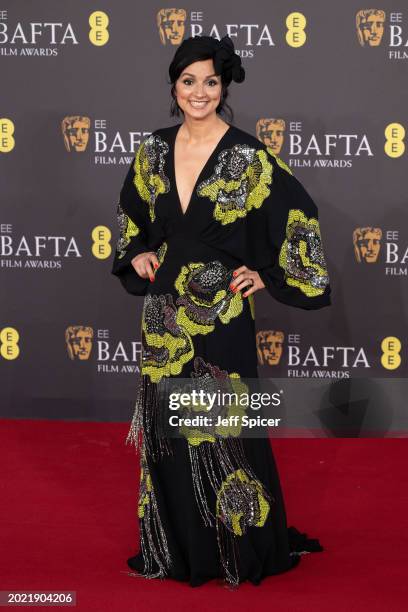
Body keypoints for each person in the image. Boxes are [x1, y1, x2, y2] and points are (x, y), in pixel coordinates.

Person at [111, 34, 331, 588]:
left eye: (211, 81)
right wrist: (136, 251)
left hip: (223, 315)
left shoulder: (247, 155)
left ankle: (237, 547)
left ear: (223, 87)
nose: (200, 92)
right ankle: (182, 549)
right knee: (171, 432)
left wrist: (268, 274)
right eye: (189, 81)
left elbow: (298, 215)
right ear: (174, 87)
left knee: (226, 431)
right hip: (165, 318)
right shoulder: (153, 150)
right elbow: (130, 216)